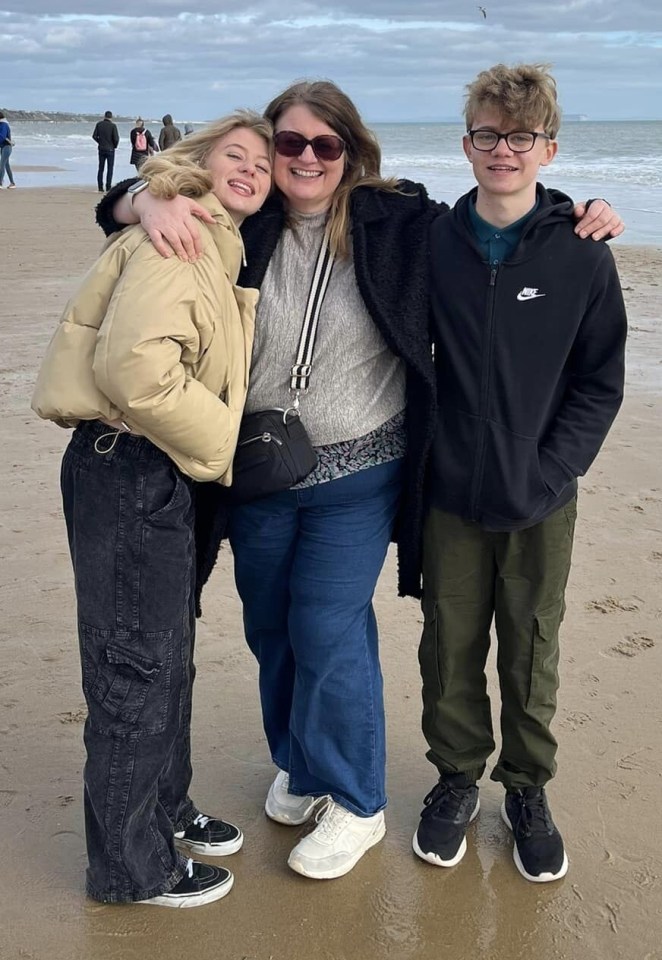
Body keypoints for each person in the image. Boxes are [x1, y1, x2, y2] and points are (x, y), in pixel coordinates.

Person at [94, 79, 624, 882]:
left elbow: (508, 213)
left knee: (329, 627)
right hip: (261, 467)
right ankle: (304, 767)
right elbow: (157, 194)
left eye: (325, 144)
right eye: (290, 144)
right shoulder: (241, 221)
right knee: (269, 626)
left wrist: (587, 210)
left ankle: (355, 798)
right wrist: (135, 199)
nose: (306, 157)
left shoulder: (397, 222)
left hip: (362, 469)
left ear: (350, 152)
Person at [31, 111, 273, 907]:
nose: (252, 169)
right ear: (196, 162)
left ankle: (166, 808)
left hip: (156, 468)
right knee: (137, 668)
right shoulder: (182, 239)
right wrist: (223, 445)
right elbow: (134, 369)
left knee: (165, 656)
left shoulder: (216, 238)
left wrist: (136, 197)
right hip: (130, 463)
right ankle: (132, 869)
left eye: (263, 163)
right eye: (233, 154)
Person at [413, 63, 627, 884]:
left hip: (541, 494)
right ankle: (456, 778)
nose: (504, 150)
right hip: (451, 490)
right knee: (451, 641)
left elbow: (599, 380)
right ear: (466, 144)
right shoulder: (431, 238)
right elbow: (342, 190)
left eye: (521, 137)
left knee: (532, 646)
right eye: (488, 134)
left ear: (549, 148)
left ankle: (527, 789)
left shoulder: (581, 251)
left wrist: (554, 468)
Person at [92, 110, 120, 192]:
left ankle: (100, 187)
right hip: (110, 149)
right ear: (111, 117)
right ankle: (108, 186)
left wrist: (100, 142)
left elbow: (94, 136)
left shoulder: (99, 124)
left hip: (101, 148)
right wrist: (114, 146)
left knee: (101, 168)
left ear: (104, 116)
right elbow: (116, 138)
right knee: (110, 168)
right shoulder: (113, 126)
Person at [0, 111, 16, 188]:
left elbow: (2, 137)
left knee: (2, 165)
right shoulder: (2, 124)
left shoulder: (3, 125)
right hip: (4, 147)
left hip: (7, 147)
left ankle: (0, 183)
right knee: (6, 165)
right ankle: (12, 183)